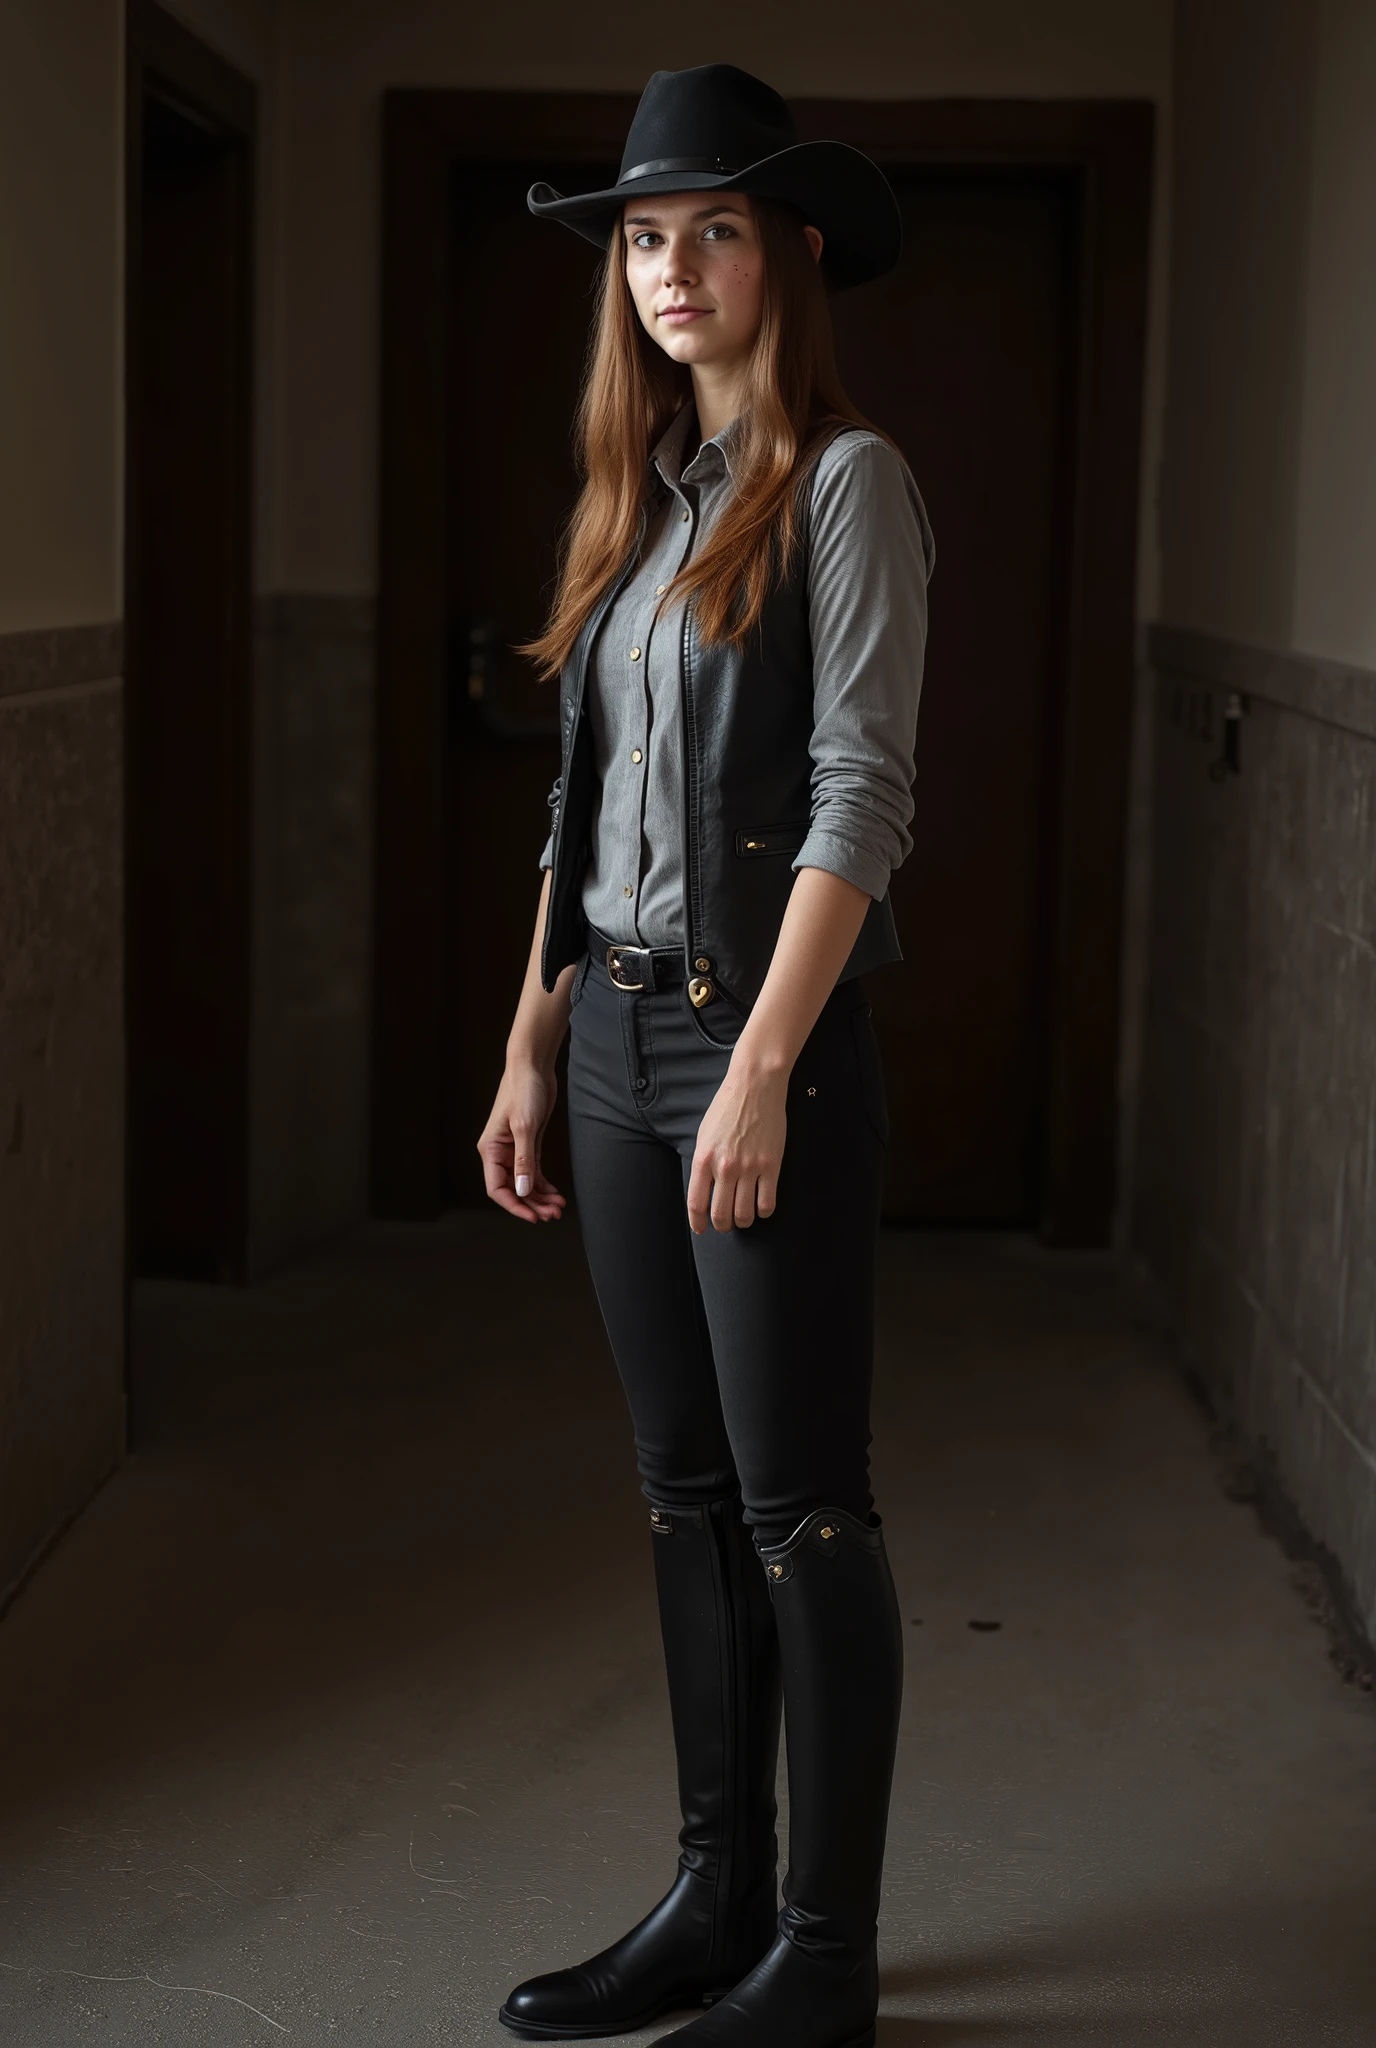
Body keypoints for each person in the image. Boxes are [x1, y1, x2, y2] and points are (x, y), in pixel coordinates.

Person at [479, 62, 934, 2048]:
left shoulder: (842, 485)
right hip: (609, 1049)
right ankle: (711, 1895)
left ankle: (820, 1960)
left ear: (789, 253)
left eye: (713, 229)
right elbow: (582, 824)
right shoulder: (636, 503)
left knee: (798, 1506)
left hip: (762, 1053)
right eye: (645, 237)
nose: (671, 267)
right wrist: (528, 1040)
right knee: (679, 1495)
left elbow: (858, 802)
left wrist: (756, 1065)